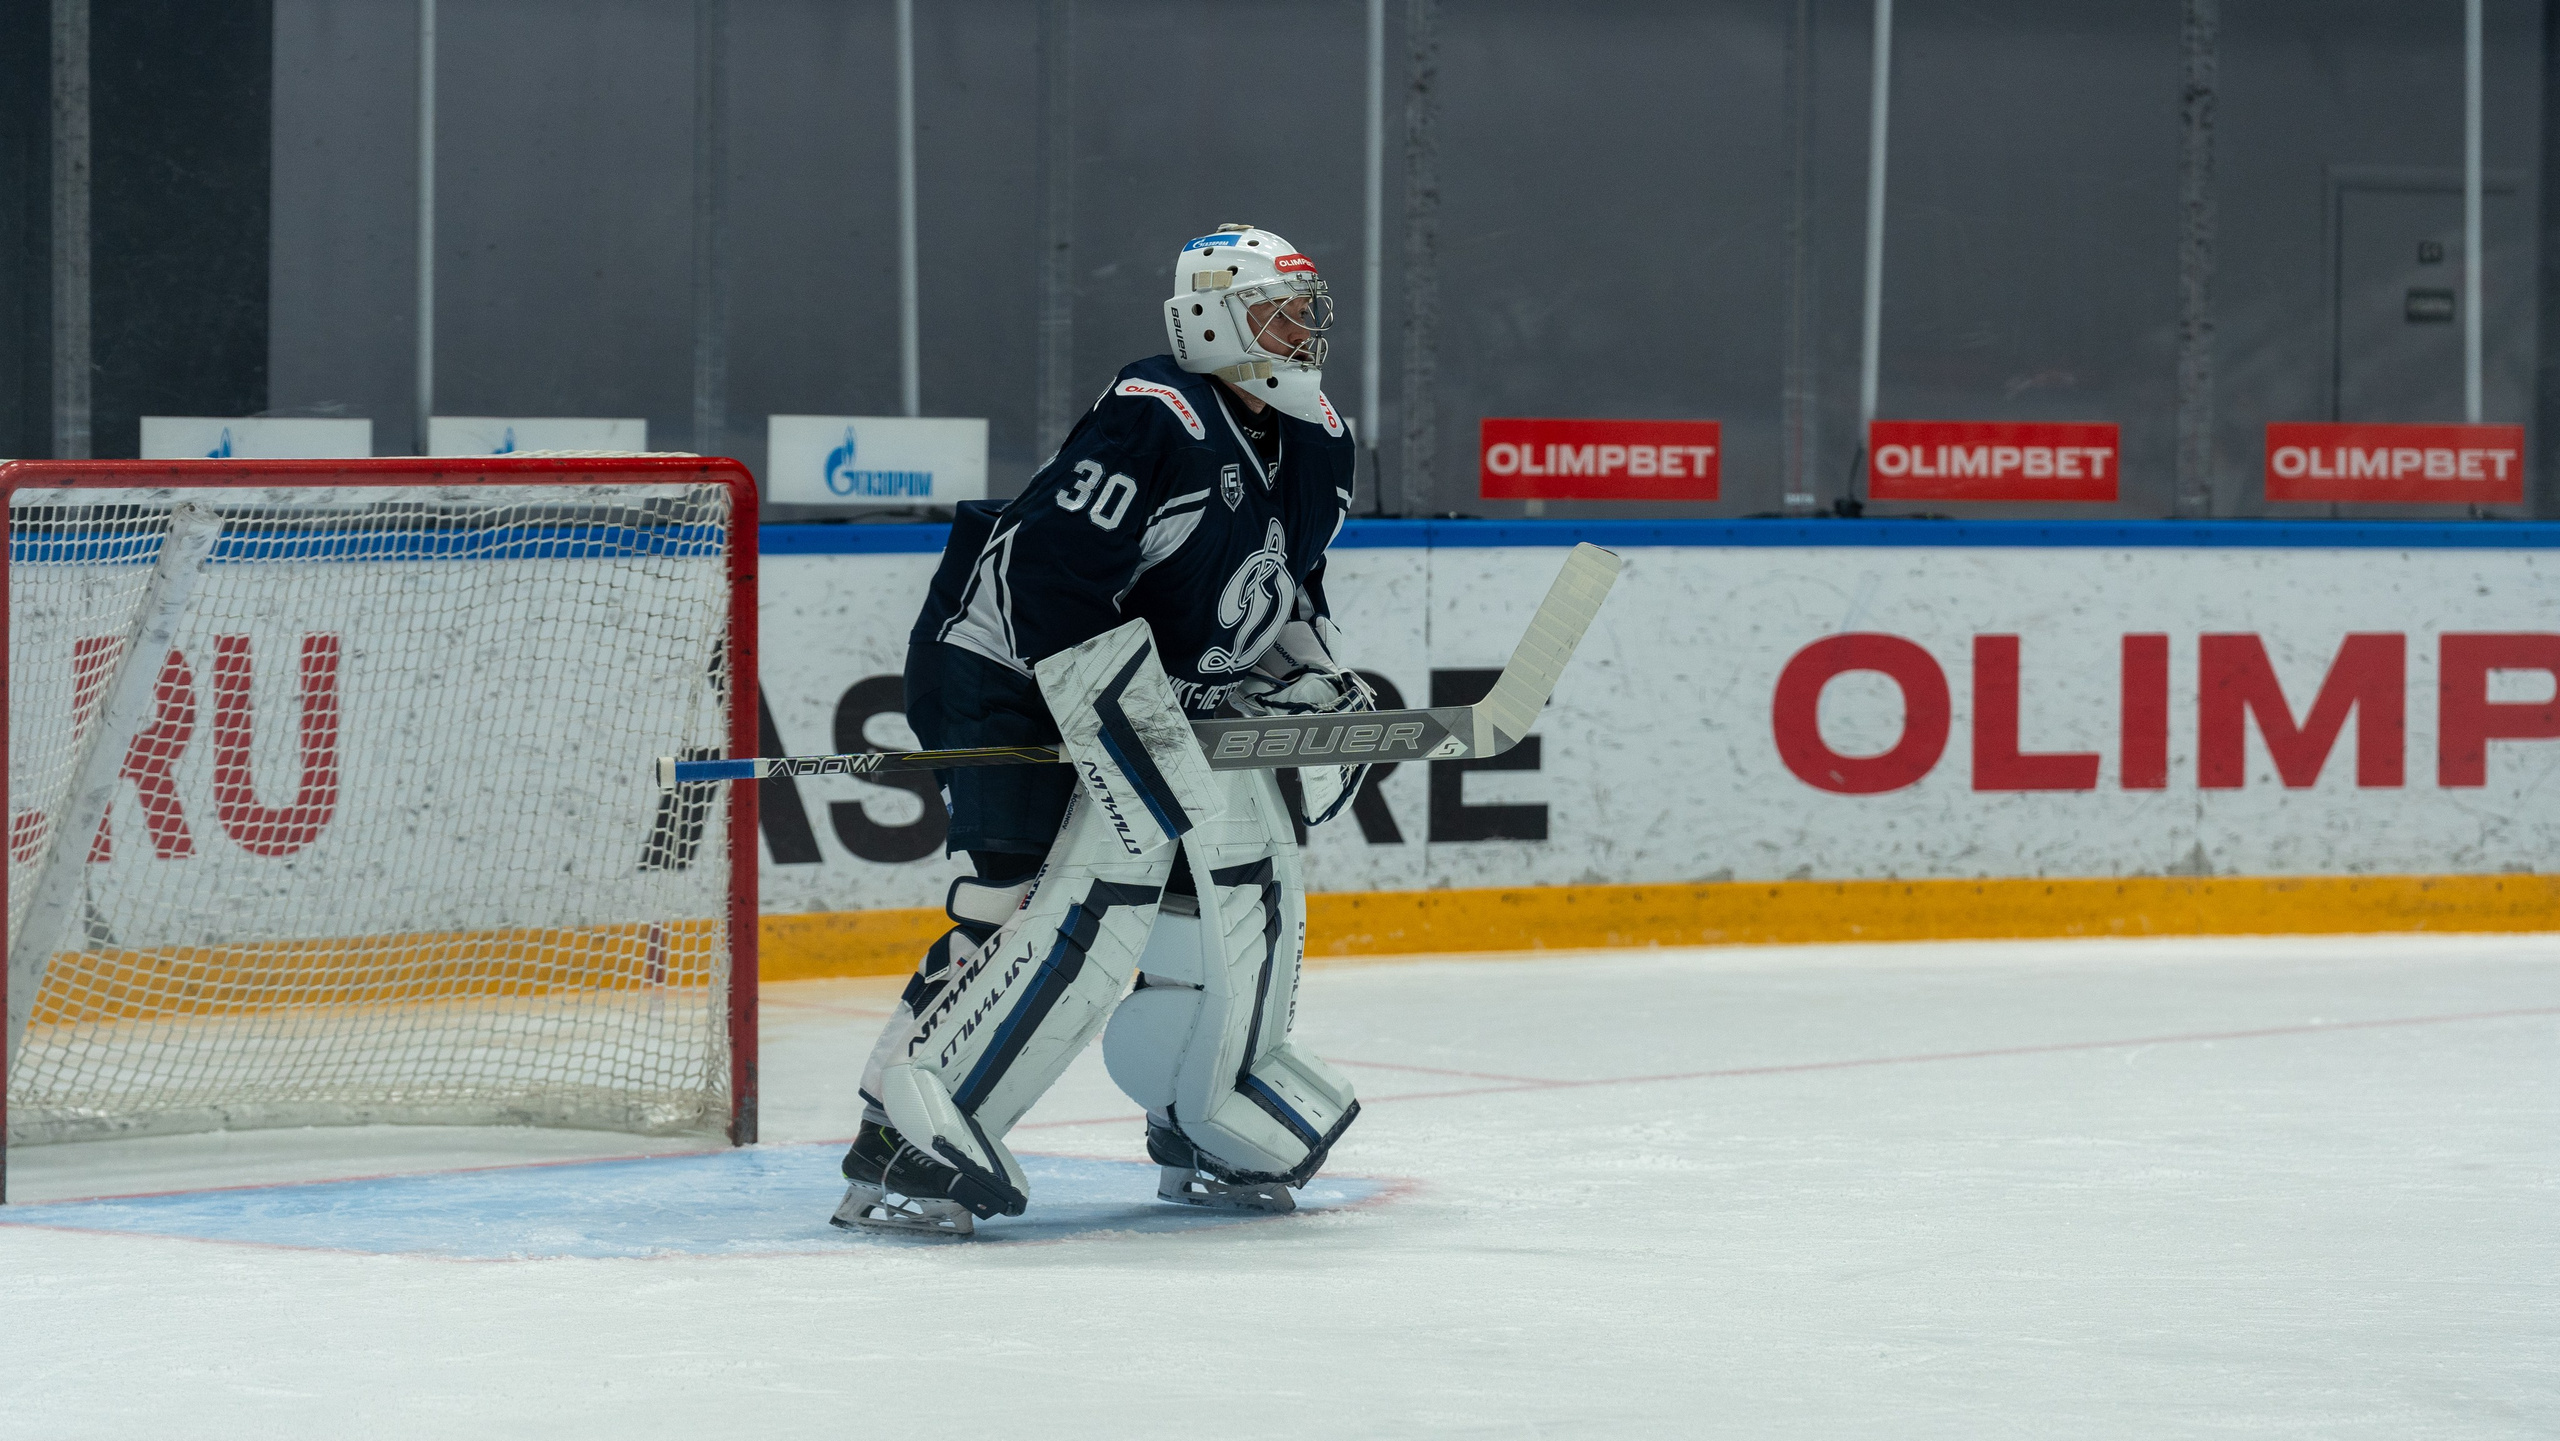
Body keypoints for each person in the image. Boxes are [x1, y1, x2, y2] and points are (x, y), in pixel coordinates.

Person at [834, 224, 1372, 1236]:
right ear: (1211, 320)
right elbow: (1046, 578)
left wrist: (1315, 680)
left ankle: (1197, 1113)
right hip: (1000, 667)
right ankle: (892, 1127)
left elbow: (1285, 586)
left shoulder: (1319, 436)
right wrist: (1124, 713)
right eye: (1279, 311)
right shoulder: (1152, 414)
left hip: (1135, 687)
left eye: (1308, 310)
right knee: (1019, 898)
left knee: (1209, 897)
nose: (1302, 331)